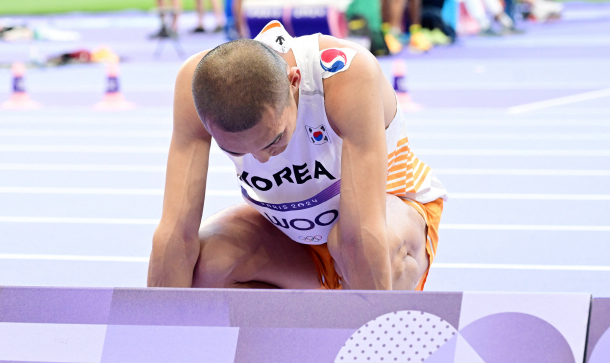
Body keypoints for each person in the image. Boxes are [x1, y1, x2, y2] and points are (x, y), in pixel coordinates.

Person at [148, 21, 447, 290]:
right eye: (235, 150)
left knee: (358, 247)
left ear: (294, 84)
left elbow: (361, 235)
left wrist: (368, 342)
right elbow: (176, 234)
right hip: (294, 237)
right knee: (208, 266)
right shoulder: (198, 86)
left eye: (274, 140)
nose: (263, 159)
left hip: (383, 220)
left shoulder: (346, 75)